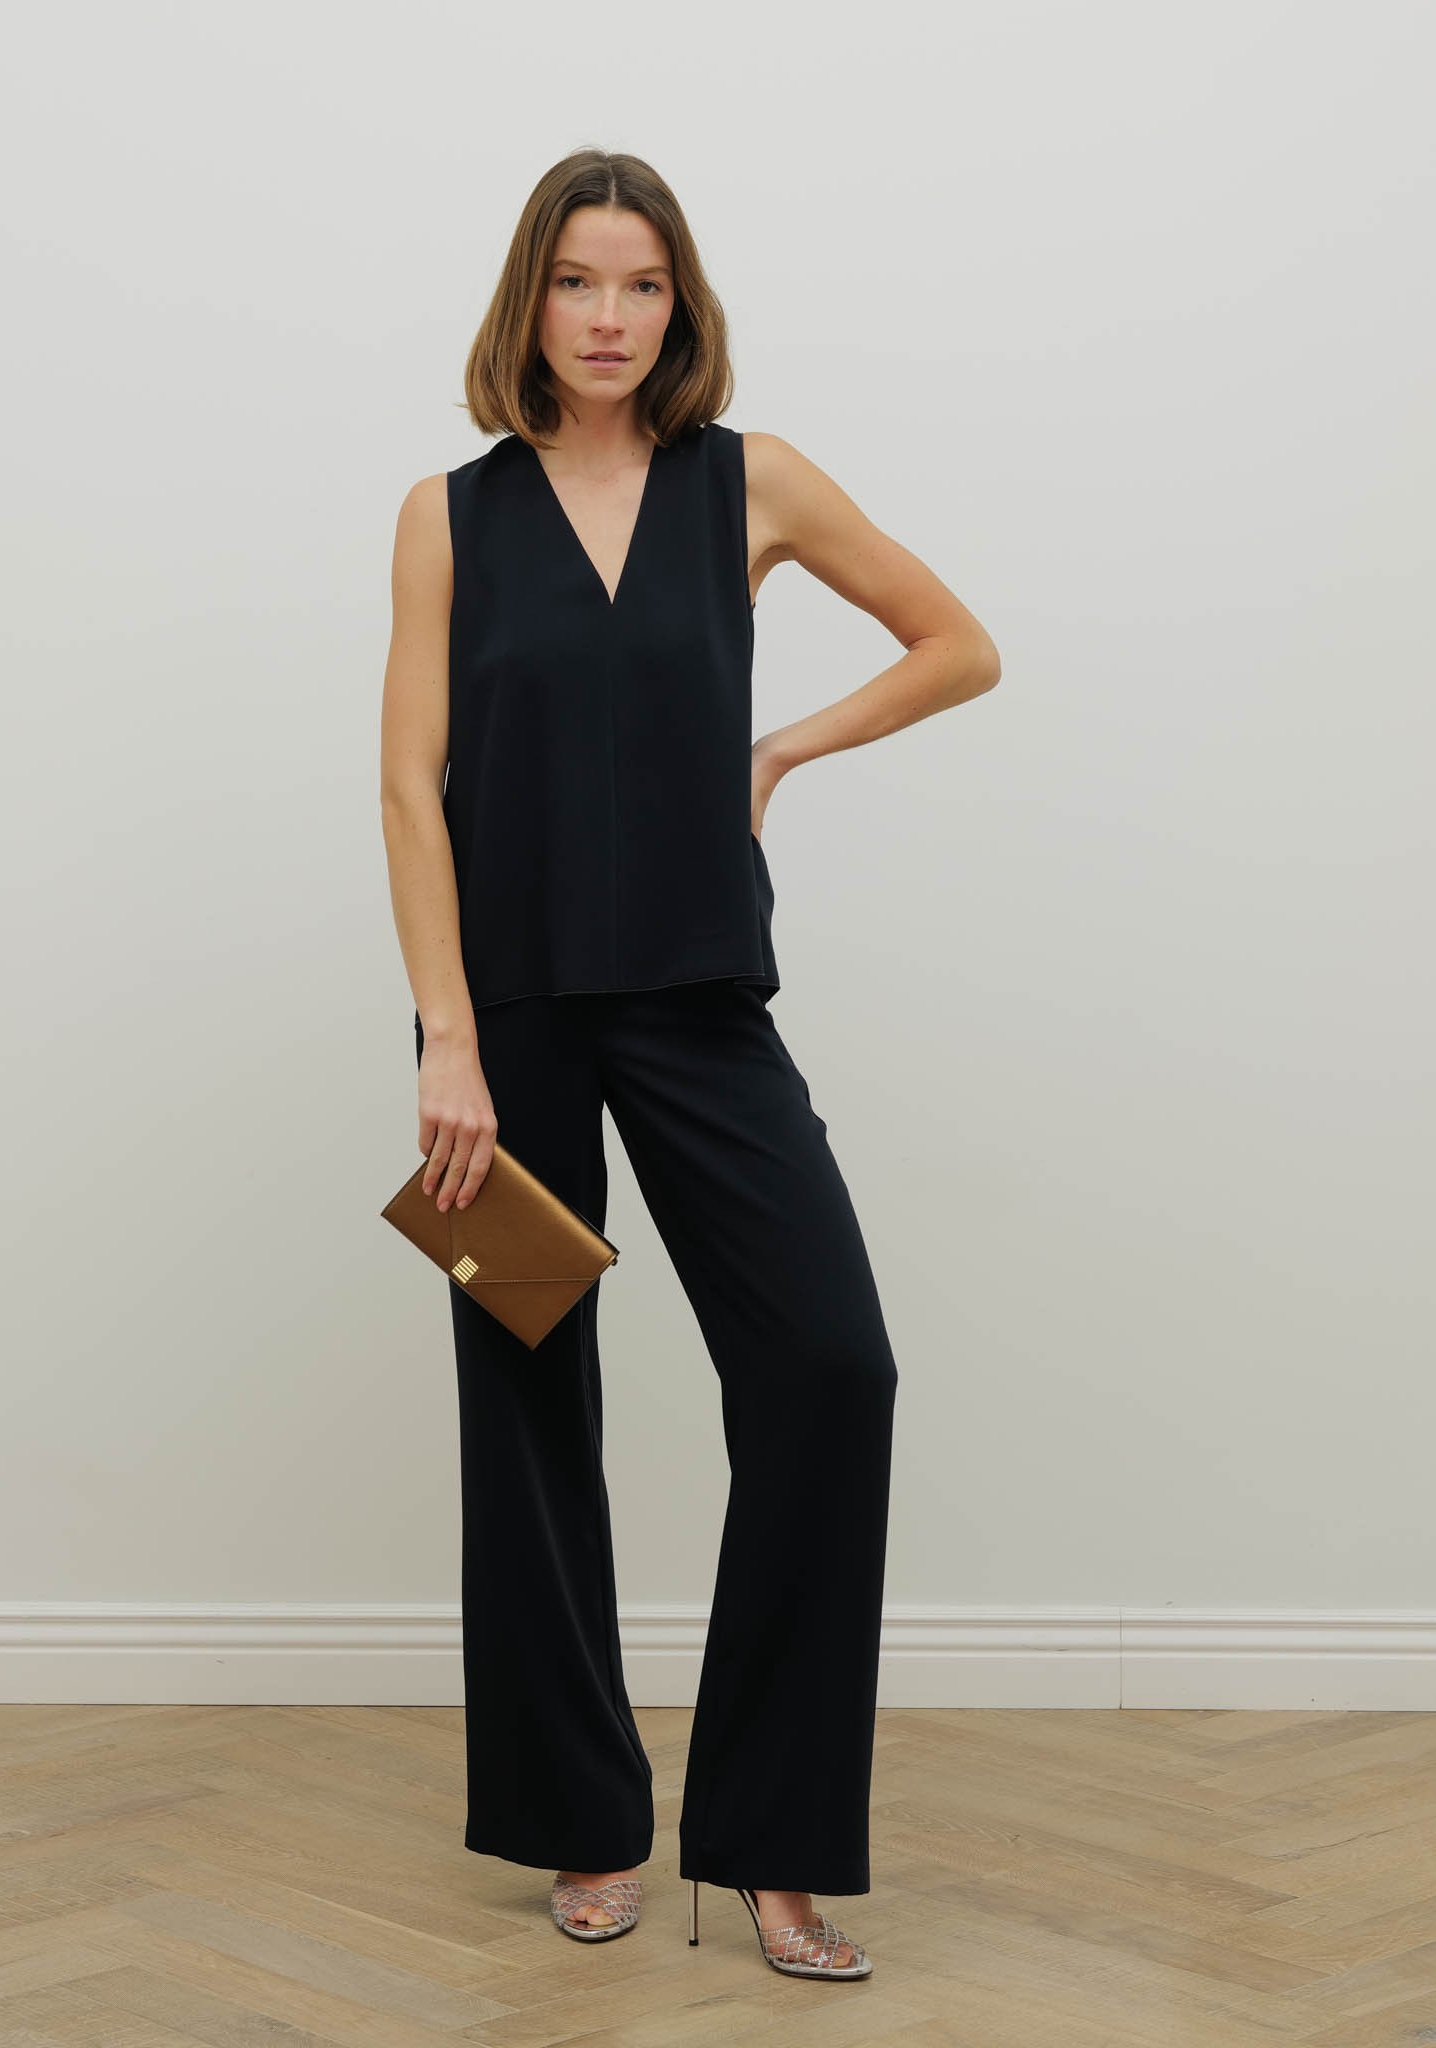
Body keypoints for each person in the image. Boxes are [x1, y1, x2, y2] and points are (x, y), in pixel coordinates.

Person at [379, 147, 1000, 1983]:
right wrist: (446, 1039)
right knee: (525, 1404)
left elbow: (958, 646)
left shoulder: (754, 482)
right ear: (529, 299)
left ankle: (771, 1846)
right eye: (577, 281)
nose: (607, 316)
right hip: (499, 1025)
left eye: (640, 283)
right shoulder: (446, 515)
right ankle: (580, 1820)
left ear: (680, 304)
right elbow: (407, 788)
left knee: (828, 1365)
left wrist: (778, 749)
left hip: (698, 995)